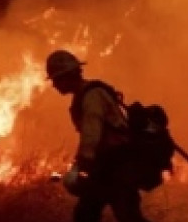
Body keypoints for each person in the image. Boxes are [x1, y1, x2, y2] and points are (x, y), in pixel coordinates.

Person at [47, 49, 149, 222]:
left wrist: (84, 163)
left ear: (67, 76)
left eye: (56, 79)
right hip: (105, 166)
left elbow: (92, 133)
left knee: (127, 216)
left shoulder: (91, 96)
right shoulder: (85, 95)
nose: (54, 85)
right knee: (87, 214)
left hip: (117, 165)